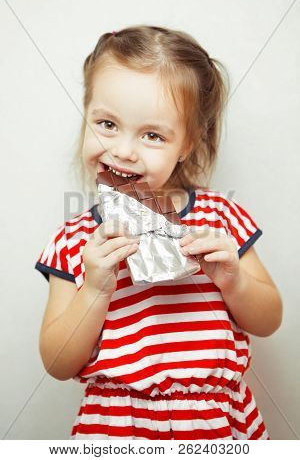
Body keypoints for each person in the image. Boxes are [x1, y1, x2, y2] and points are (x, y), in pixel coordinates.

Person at [35, 25, 283, 440]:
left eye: (152, 135)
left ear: (186, 144)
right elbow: (57, 364)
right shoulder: (73, 240)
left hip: (215, 424)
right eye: (107, 124)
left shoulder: (220, 218)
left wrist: (232, 280)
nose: (124, 150)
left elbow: (269, 320)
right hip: (116, 428)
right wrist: (95, 288)